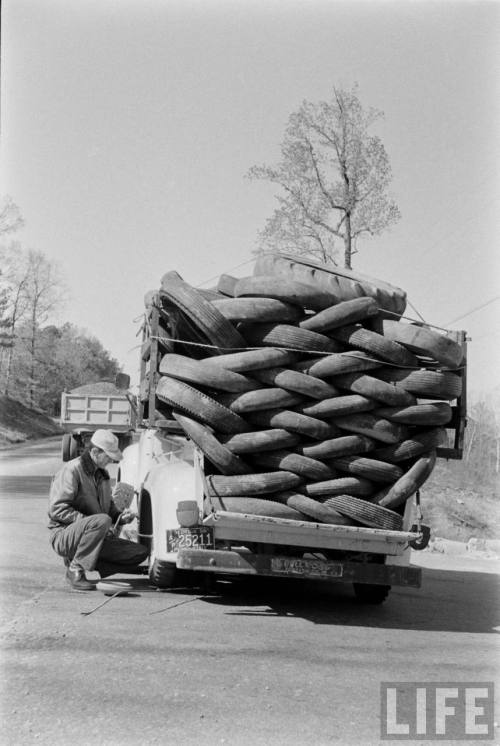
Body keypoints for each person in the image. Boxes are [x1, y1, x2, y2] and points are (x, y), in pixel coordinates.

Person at [48, 429, 149, 591]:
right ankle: (75, 568)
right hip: (63, 535)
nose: (110, 460)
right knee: (102, 520)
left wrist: (120, 517)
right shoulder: (72, 470)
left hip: (95, 534)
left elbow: (108, 508)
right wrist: (93, 523)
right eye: (108, 456)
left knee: (140, 552)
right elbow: (57, 510)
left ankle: (84, 558)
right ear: (95, 452)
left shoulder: (103, 474)